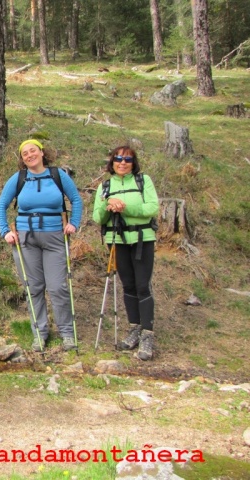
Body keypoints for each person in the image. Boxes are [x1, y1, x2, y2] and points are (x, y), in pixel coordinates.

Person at [0, 139, 83, 353]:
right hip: (26, 238)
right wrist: (5, 231)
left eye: (32, 150)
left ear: (42, 153)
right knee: (33, 287)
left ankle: (67, 333)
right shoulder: (19, 178)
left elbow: (76, 200)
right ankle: (39, 333)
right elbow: (1, 205)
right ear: (22, 159)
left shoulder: (57, 175)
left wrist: (74, 224)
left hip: (54, 237)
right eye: (25, 153)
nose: (29, 155)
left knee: (57, 287)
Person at [92, 145, 159, 361]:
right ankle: (134, 329)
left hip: (142, 240)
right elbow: (97, 217)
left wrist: (125, 208)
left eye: (127, 160)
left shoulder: (143, 181)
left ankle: (147, 334)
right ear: (112, 163)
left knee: (142, 285)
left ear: (134, 163)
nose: (122, 162)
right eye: (118, 159)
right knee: (128, 285)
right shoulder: (104, 187)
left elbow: (152, 208)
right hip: (116, 241)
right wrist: (107, 206)